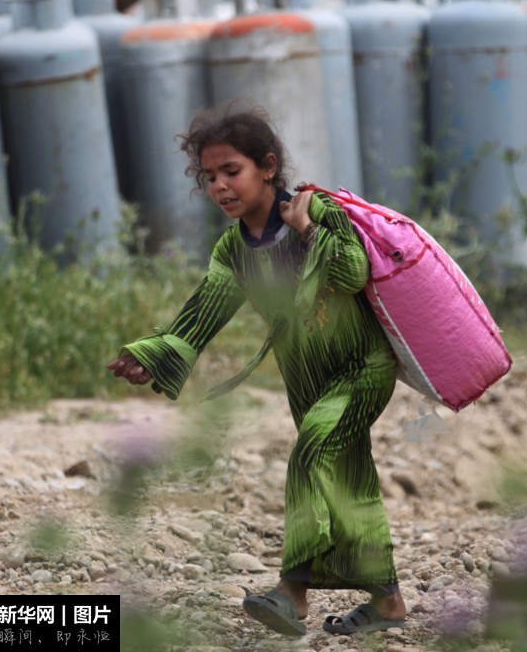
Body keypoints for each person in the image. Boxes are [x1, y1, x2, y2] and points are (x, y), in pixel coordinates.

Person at [107, 102, 407, 635]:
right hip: (306, 381)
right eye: (209, 176)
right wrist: (150, 354)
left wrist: (308, 228)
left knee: (313, 450)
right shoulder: (233, 250)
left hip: (361, 368)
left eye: (232, 171)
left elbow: (355, 270)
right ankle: (387, 603)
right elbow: (203, 313)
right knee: (348, 474)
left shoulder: (316, 212)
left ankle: (292, 594)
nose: (220, 186)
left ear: (267, 166)